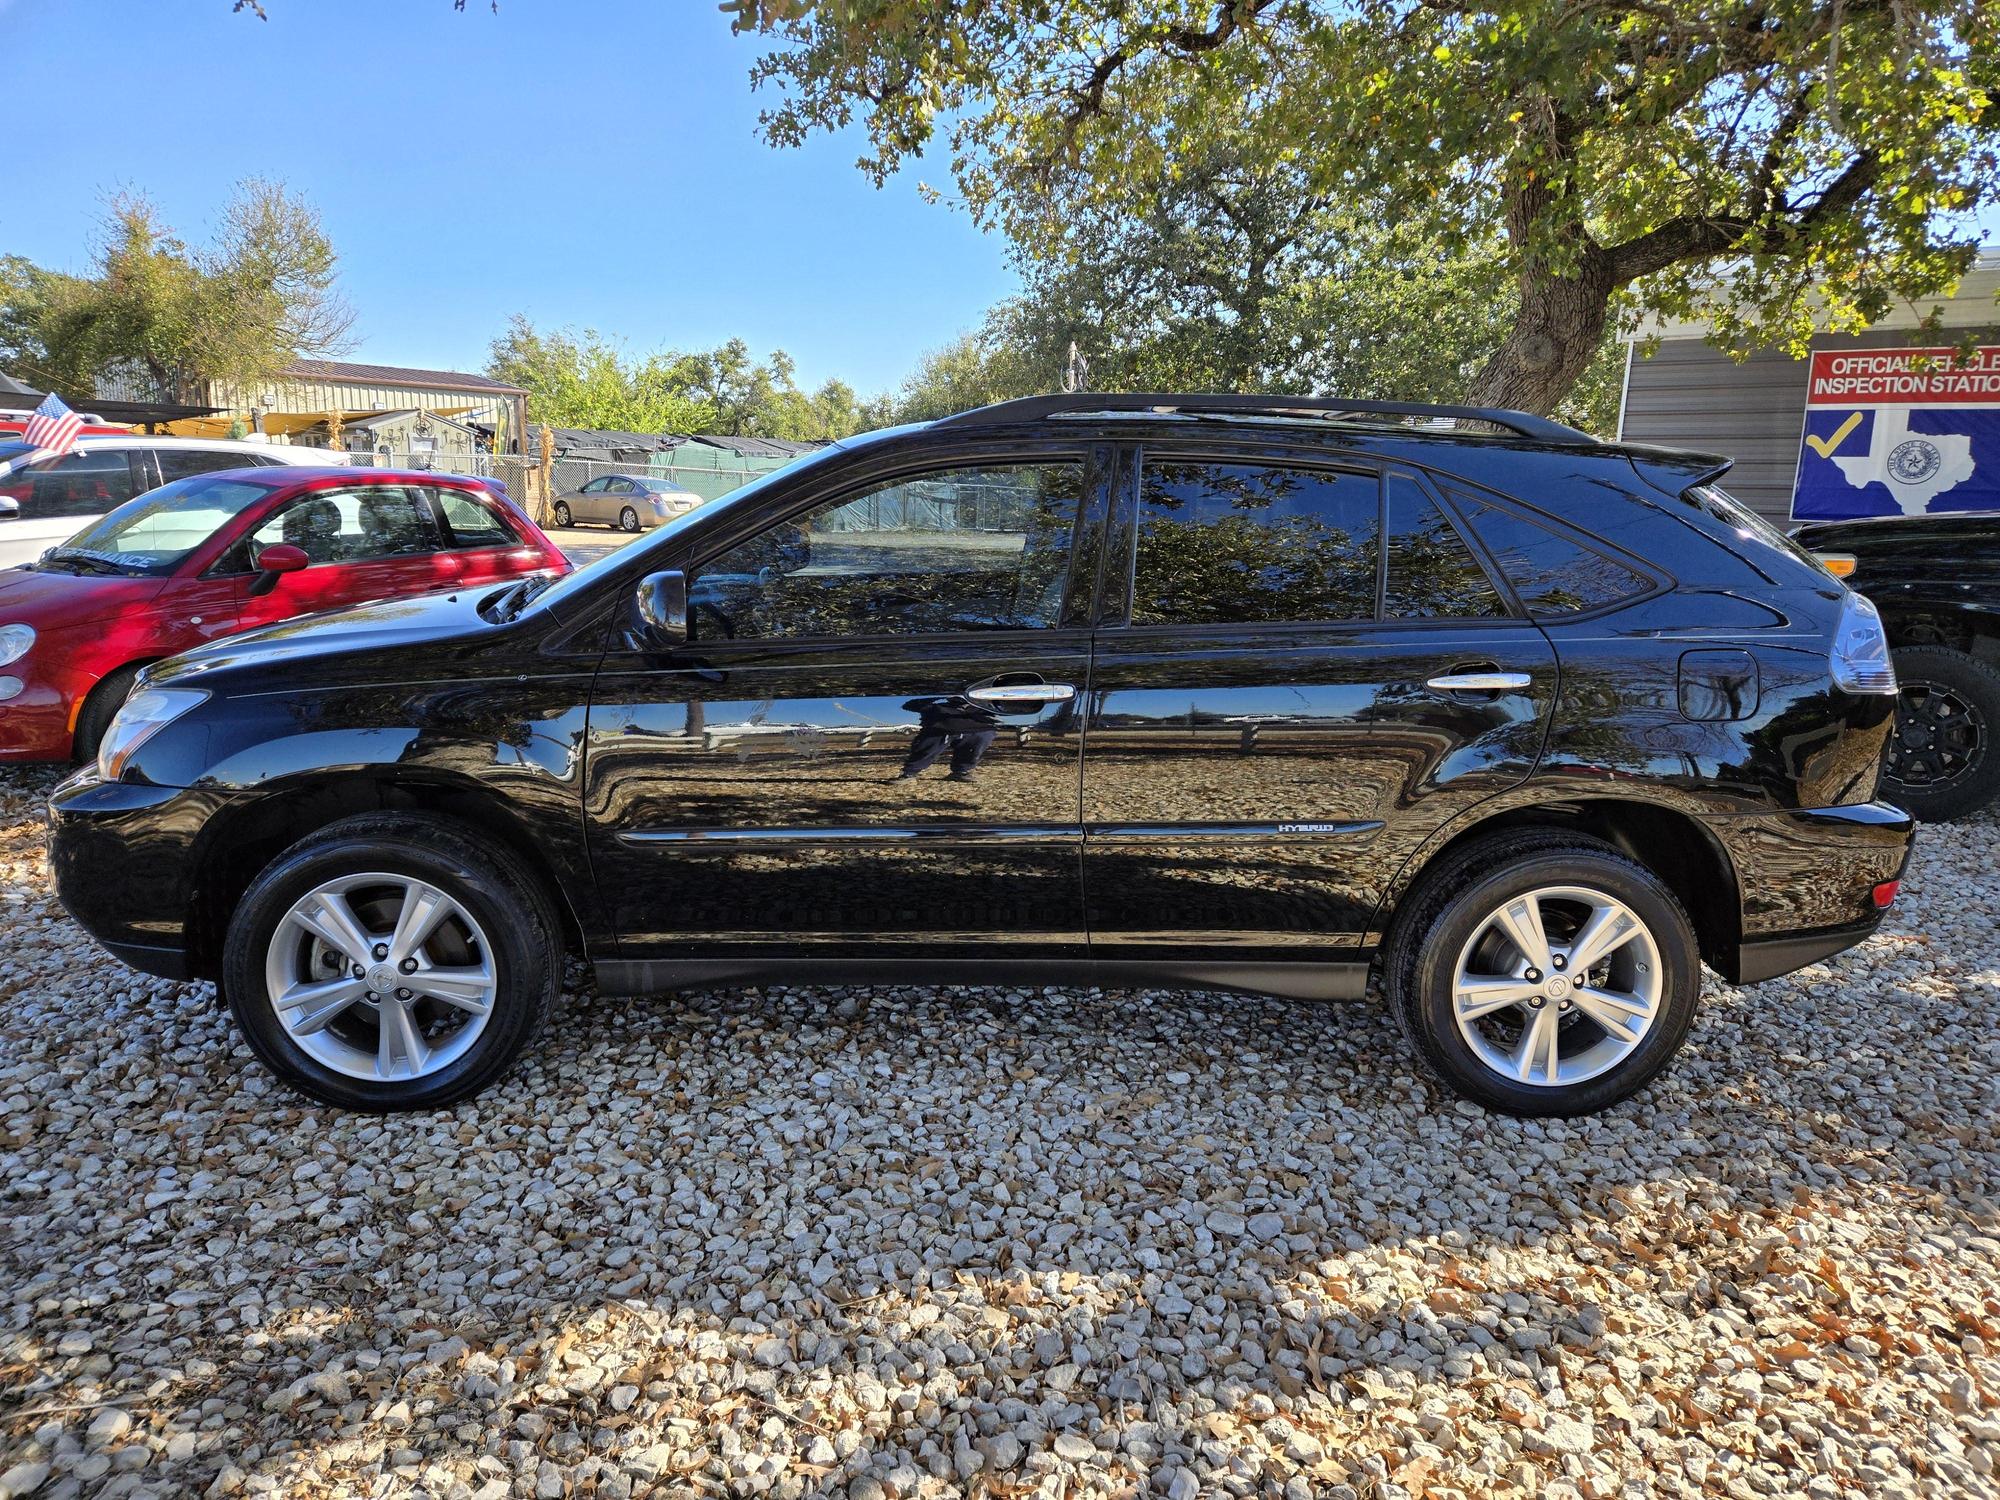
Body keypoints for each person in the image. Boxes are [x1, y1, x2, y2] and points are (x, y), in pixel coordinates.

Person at [897, 693, 1000, 783]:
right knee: (927, 748)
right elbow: (909, 705)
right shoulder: (935, 707)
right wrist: (938, 695)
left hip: (975, 731)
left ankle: (961, 771)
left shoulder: (982, 708)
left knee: (981, 738)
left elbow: (1002, 709)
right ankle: (909, 773)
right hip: (938, 732)